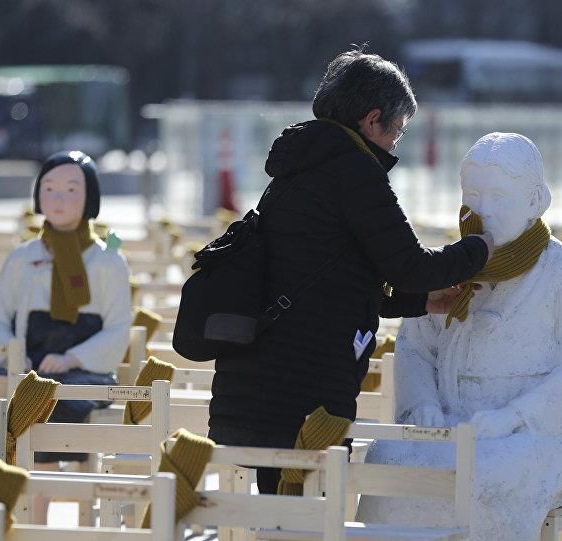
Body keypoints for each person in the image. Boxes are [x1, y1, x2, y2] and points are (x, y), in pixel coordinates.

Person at [207, 46, 495, 494]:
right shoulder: (354, 171)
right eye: (396, 130)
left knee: (272, 513)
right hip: (304, 391)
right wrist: (481, 248)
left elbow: (331, 278)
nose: (395, 142)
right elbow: (409, 265)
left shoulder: (299, 168)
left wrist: (421, 302)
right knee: (303, 514)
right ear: (371, 119)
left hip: (252, 380)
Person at [356, 133, 562, 540]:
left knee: (489, 471)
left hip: (536, 436)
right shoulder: (449, 264)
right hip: (450, 425)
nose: (482, 209)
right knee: (389, 456)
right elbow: (415, 349)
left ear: (534, 201)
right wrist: (422, 403)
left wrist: (514, 416)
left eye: (498, 195)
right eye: (472, 195)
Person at [0, 150, 132, 520]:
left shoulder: (109, 261)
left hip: (87, 373)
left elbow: (117, 329)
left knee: (54, 405)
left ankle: (44, 513)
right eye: (49, 189)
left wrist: (71, 359)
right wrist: (15, 356)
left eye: (70, 189)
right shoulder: (21, 258)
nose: (59, 198)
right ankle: (8, 504)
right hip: (26, 368)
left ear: (90, 196)